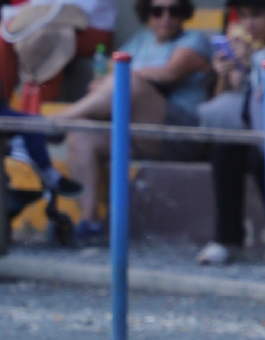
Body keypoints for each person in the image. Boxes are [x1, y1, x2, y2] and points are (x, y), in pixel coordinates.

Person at [56, 0, 212, 244]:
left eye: (175, 11)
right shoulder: (139, 40)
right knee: (80, 138)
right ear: (146, 14)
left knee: (127, 82)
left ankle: (60, 119)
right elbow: (104, 80)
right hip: (137, 135)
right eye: (157, 11)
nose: (166, 17)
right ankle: (91, 223)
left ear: (185, 14)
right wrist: (108, 85)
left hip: (180, 134)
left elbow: (169, 73)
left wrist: (116, 81)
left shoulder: (194, 40)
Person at [195, 0, 265, 265]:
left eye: (256, 15)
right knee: (224, 152)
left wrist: (255, 59)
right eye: (243, 16)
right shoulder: (238, 46)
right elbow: (222, 103)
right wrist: (225, 73)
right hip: (244, 128)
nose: (249, 23)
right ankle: (226, 239)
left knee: (262, 157)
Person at [0, 0, 116, 103]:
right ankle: (4, 105)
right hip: (48, 21)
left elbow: (79, 9)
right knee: (6, 33)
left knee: (48, 38)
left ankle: (38, 118)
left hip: (91, 27)